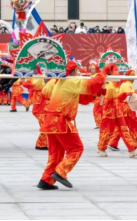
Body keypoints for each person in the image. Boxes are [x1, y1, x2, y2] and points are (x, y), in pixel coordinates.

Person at [37, 62, 111, 190]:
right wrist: (104, 72)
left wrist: (97, 93)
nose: (78, 74)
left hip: (50, 120)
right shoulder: (70, 81)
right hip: (60, 120)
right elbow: (91, 84)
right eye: (76, 71)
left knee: (56, 154)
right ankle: (60, 172)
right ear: (72, 72)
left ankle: (46, 179)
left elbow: (83, 99)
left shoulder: (58, 82)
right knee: (76, 148)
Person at [96, 67, 137, 159]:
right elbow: (104, 98)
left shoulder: (116, 83)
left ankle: (132, 148)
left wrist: (124, 95)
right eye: (115, 70)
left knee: (123, 129)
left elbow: (118, 98)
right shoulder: (106, 83)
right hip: (109, 110)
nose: (117, 72)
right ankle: (101, 147)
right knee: (108, 130)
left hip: (118, 109)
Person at [22, 70, 48, 150]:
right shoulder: (36, 81)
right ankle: (40, 144)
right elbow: (33, 85)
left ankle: (43, 144)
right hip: (39, 111)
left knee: (46, 127)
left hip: (44, 109)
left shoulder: (38, 80)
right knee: (45, 127)